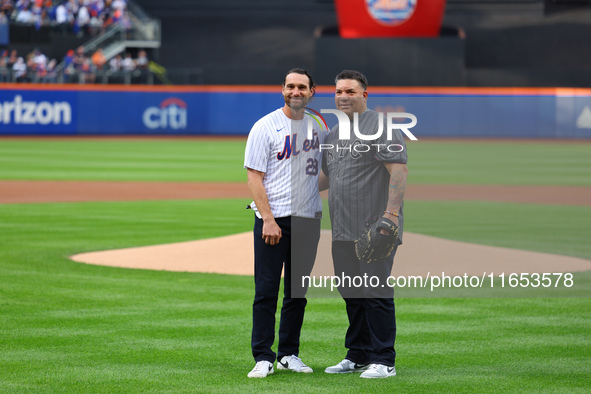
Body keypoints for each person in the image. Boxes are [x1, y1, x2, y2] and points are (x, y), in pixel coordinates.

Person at [320, 70, 408, 378]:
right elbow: (326, 178)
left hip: (374, 228)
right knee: (351, 292)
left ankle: (384, 360)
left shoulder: (381, 127)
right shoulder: (333, 134)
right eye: (339, 91)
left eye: (350, 91)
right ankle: (357, 354)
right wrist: (285, 194)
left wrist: (391, 217)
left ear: (364, 95)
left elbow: (398, 172)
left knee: (375, 292)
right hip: (342, 230)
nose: (343, 96)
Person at [244, 68, 325, 378]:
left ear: (312, 91)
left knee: (297, 293)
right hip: (273, 219)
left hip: (308, 221)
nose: (296, 91)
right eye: (291, 86)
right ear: (282, 90)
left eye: (302, 87)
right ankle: (263, 356)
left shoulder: (318, 126)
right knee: (266, 290)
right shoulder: (265, 126)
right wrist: (267, 218)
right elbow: (254, 176)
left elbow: (322, 171)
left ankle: (288, 353)